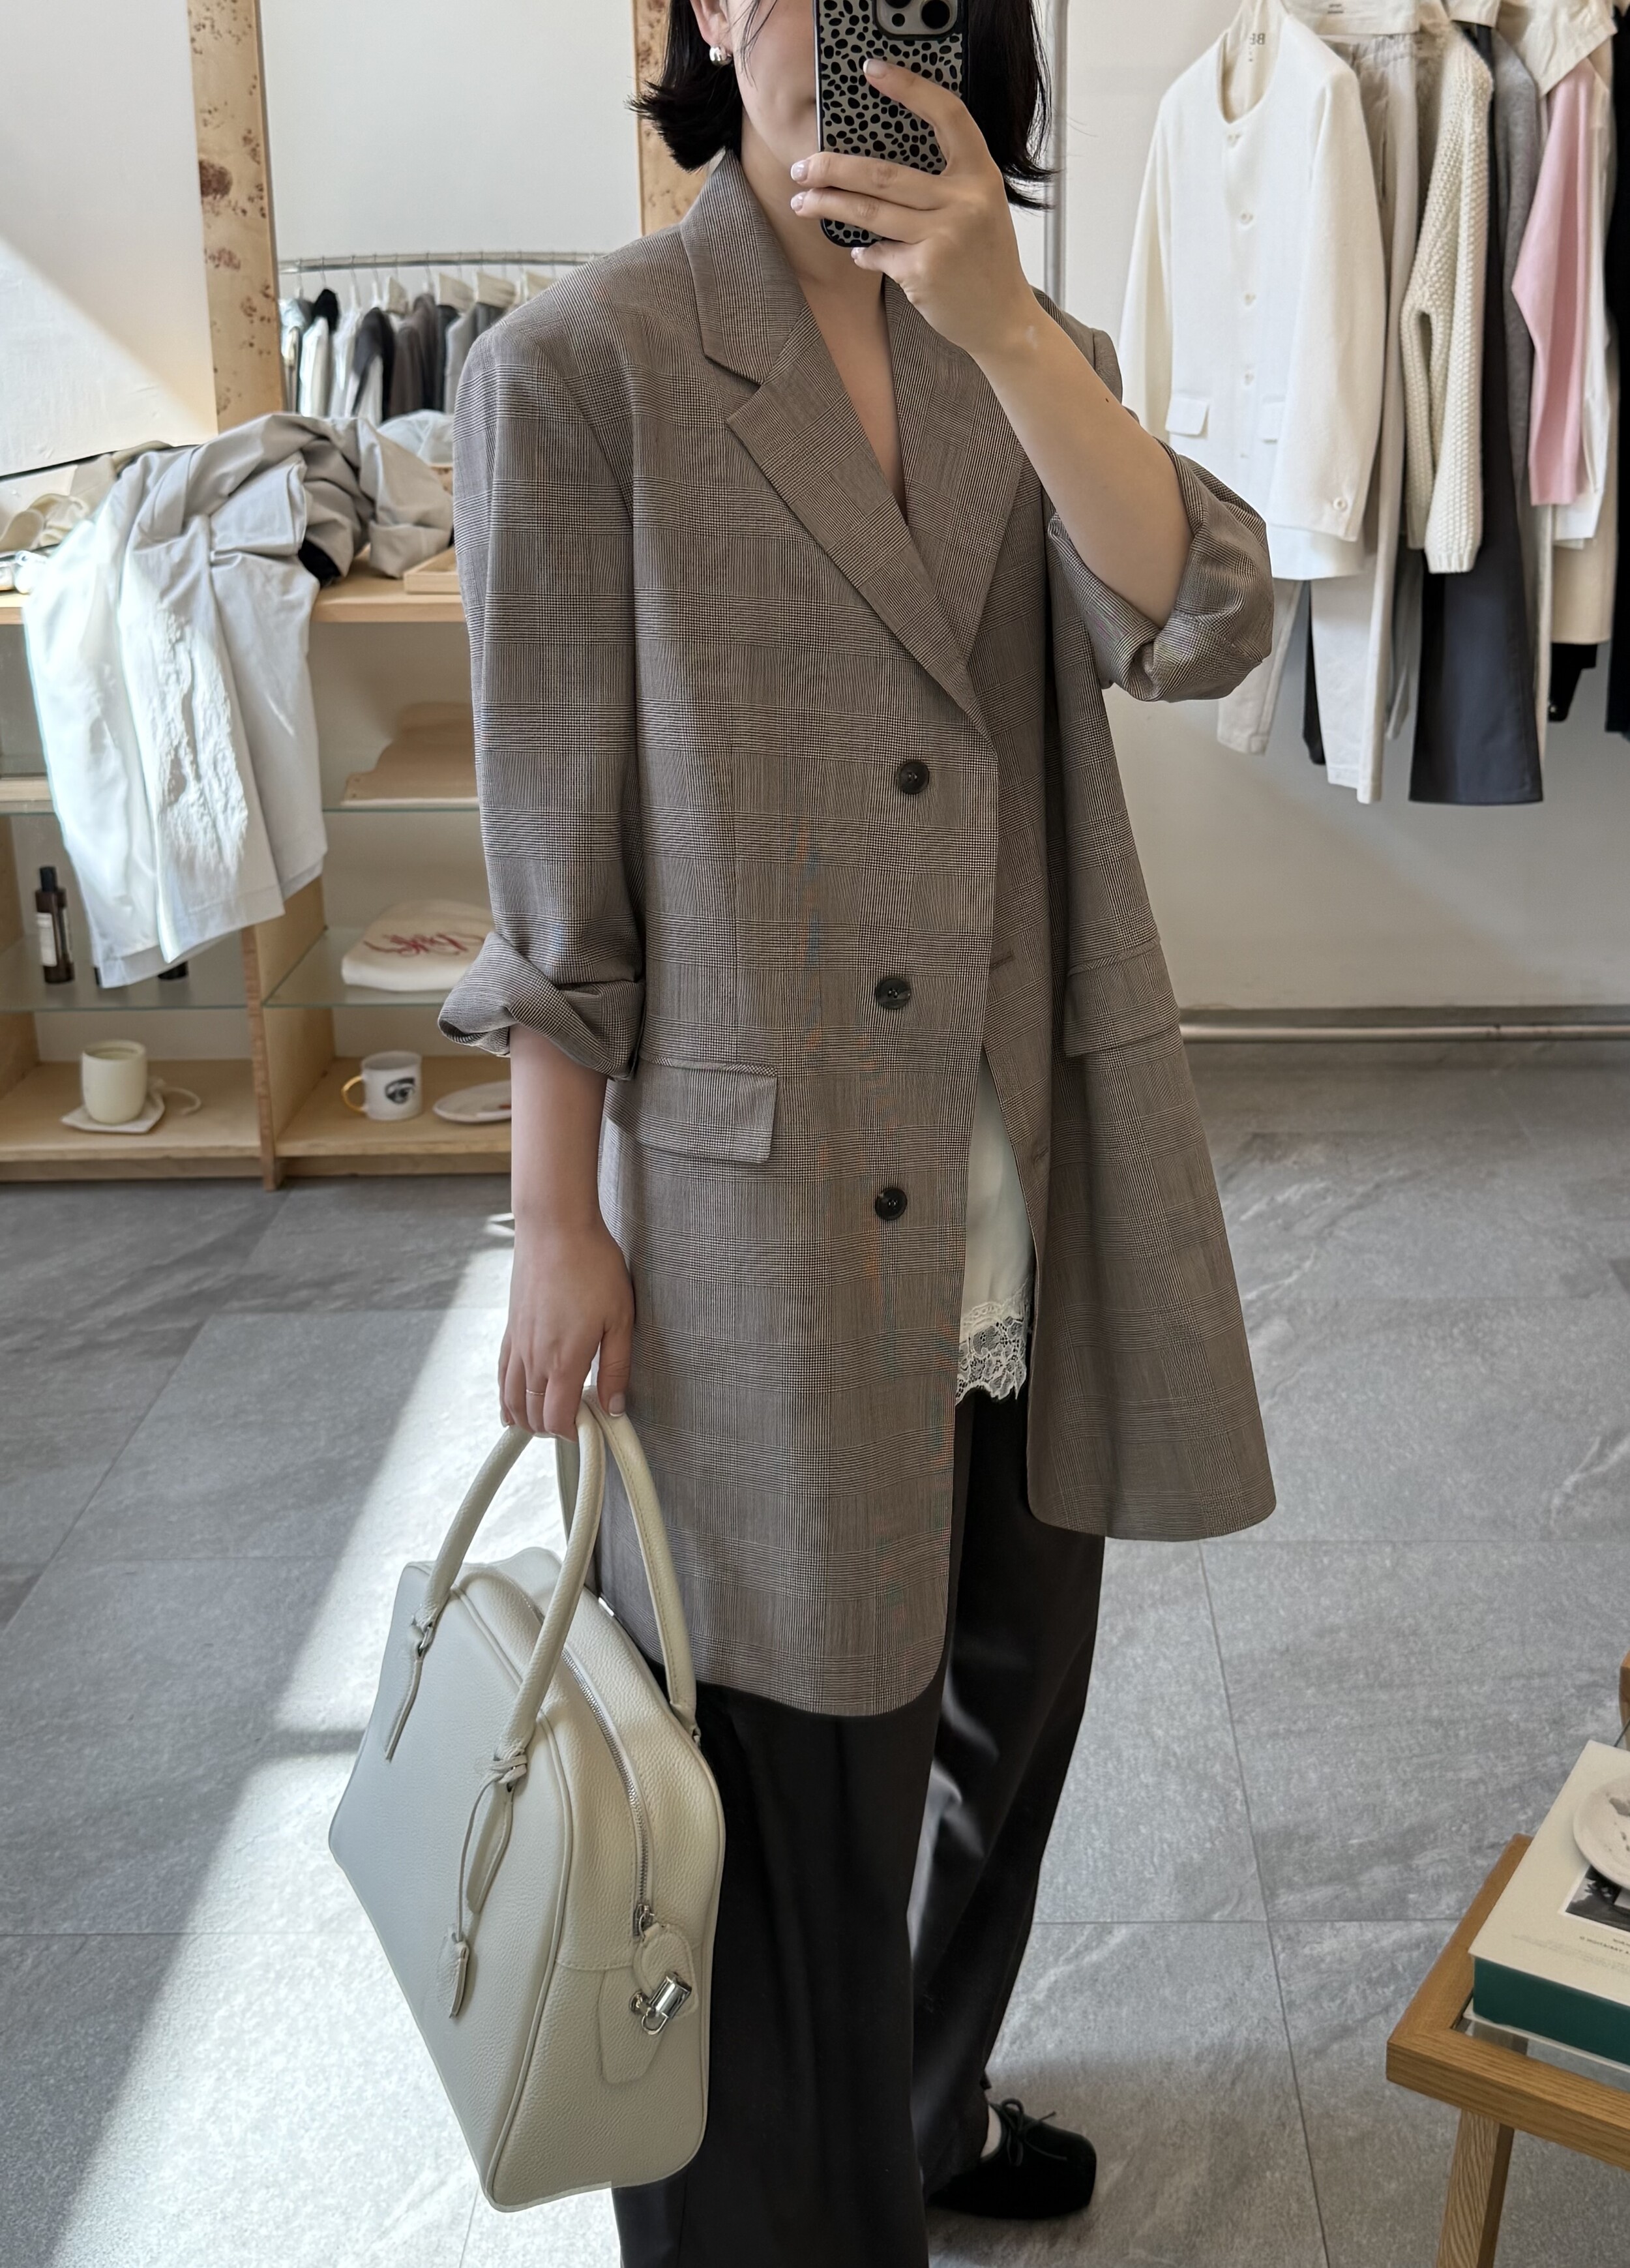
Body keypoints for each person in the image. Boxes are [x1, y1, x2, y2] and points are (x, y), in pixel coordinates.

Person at [439, 1, 1277, 2260]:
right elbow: (555, 858)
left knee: (1010, 1708)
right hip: (771, 1220)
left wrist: (1001, 327)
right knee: (786, 1808)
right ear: (713, 14)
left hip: (1035, 1192)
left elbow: (1202, 622)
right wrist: (554, 1218)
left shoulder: (1022, 343)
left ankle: (928, 2107)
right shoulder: (581, 370)